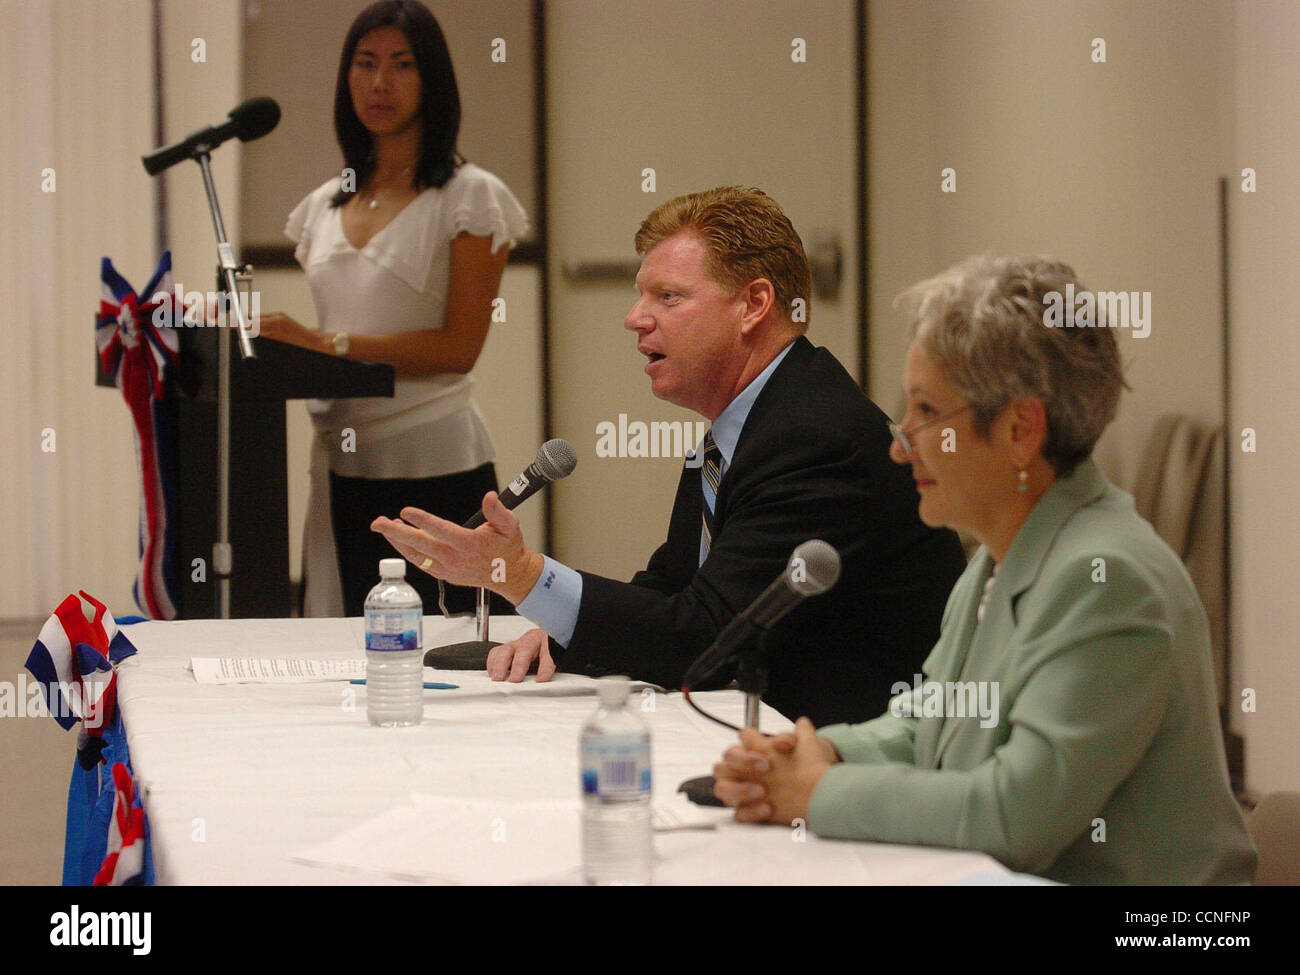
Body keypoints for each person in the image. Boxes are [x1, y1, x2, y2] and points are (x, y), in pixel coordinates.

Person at [712, 255, 1257, 884]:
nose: (899, 442)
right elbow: (933, 719)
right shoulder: (1004, 557)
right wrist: (819, 753)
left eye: (925, 412)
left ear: (1021, 430)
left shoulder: (1108, 579)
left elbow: (1015, 814)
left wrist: (816, 795)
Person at [372, 186, 967, 725]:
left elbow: (706, 639)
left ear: (754, 304)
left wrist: (525, 575)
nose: (635, 318)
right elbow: (673, 587)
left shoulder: (815, 438)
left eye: (669, 297)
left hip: (851, 760)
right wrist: (562, 633)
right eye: (641, 296)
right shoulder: (746, 421)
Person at [256, 0, 528, 617]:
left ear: (433, 80)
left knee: (453, 651)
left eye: (403, 65)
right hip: (342, 465)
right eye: (365, 63)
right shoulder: (324, 204)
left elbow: (459, 347)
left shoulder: (470, 197)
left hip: (433, 459)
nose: (380, 83)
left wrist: (328, 344)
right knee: (348, 650)